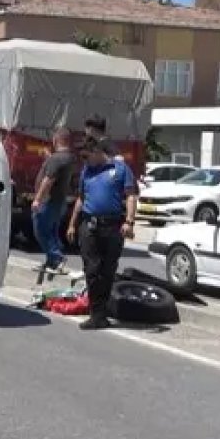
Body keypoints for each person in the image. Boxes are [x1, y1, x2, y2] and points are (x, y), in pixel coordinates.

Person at [66, 139, 138, 330]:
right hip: (89, 226)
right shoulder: (86, 172)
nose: (84, 161)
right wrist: (72, 224)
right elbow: (81, 199)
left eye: (86, 156)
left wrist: (129, 222)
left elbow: (131, 195)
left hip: (113, 226)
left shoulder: (120, 169)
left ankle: (102, 313)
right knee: (92, 270)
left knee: (107, 271)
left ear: (97, 152)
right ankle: (95, 313)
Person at [31, 127, 77, 274]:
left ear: (57, 140)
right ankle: (51, 262)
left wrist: (37, 199)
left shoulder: (56, 159)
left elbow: (49, 179)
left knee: (41, 230)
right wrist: (49, 157)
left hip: (48, 201)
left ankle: (57, 258)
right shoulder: (68, 158)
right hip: (60, 201)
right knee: (52, 231)